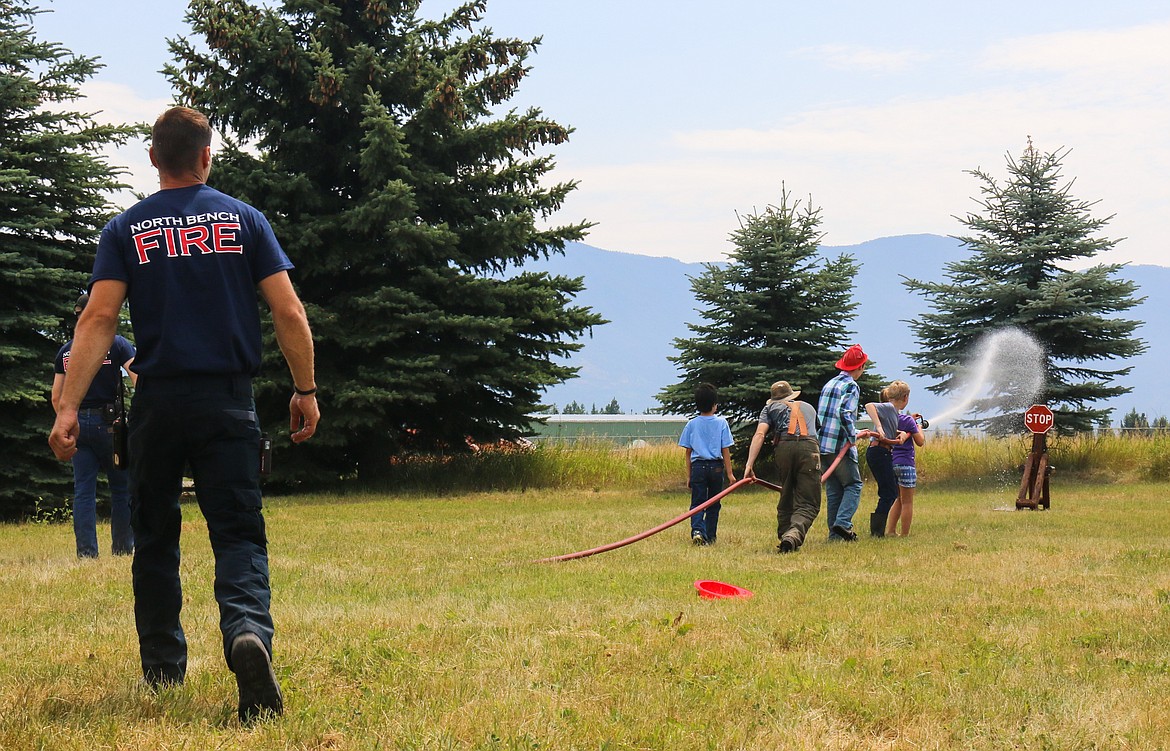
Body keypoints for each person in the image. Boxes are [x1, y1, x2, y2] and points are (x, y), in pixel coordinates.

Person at [48, 107, 319, 723]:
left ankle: (164, 667)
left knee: (154, 536)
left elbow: (97, 320)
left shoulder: (126, 229)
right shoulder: (244, 220)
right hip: (227, 399)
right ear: (206, 156)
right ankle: (247, 633)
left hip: (158, 404)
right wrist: (304, 388)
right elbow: (289, 312)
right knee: (238, 532)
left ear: (152, 159)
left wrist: (68, 406)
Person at [51, 293, 138, 558]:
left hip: (78, 425)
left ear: (78, 314)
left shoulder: (66, 351)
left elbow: (57, 395)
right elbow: (139, 378)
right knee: (122, 488)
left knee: (83, 491)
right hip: (110, 425)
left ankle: (87, 554)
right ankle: (123, 549)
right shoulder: (117, 344)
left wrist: (68, 421)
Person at [743, 381, 821, 553]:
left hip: (784, 448)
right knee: (809, 502)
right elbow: (815, 432)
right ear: (791, 395)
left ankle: (785, 535)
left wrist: (749, 464)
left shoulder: (769, 409)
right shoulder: (808, 407)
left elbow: (760, 433)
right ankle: (792, 535)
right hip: (809, 449)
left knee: (787, 493)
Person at [817, 344, 868, 542]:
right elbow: (844, 413)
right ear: (860, 367)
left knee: (834, 490)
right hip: (840, 446)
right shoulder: (851, 386)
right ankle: (843, 523)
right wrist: (852, 438)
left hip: (823, 445)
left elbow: (826, 416)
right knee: (853, 485)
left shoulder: (829, 384)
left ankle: (834, 536)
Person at [677, 383, 735, 545]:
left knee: (697, 502)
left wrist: (689, 476)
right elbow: (725, 450)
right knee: (714, 503)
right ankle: (710, 536)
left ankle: (697, 531)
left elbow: (688, 452)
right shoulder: (721, 423)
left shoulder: (692, 424)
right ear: (714, 405)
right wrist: (730, 474)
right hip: (716, 467)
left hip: (698, 468)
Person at [862, 384, 909, 538]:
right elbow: (869, 406)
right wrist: (878, 427)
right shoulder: (889, 407)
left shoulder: (893, 412)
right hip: (879, 452)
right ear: (905, 397)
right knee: (889, 492)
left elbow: (889, 429)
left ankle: (878, 530)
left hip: (882, 452)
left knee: (890, 490)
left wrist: (900, 433)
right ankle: (876, 532)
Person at [886, 381, 926, 537]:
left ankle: (890, 531)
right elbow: (920, 441)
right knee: (907, 501)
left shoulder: (887, 418)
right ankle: (904, 534)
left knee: (898, 498)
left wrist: (911, 421)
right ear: (905, 397)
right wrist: (919, 428)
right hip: (906, 465)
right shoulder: (908, 421)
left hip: (892, 463)